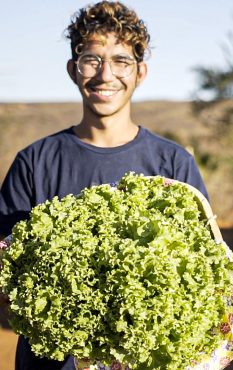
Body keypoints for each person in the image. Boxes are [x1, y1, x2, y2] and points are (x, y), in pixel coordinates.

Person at [0, 2, 208, 369]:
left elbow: (203, 275)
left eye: (121, 61)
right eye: (91, 60)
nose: (105, 75)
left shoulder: (174, 165)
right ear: (73, 69)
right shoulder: (33, 163)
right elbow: (6, 277)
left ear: (140, 72)